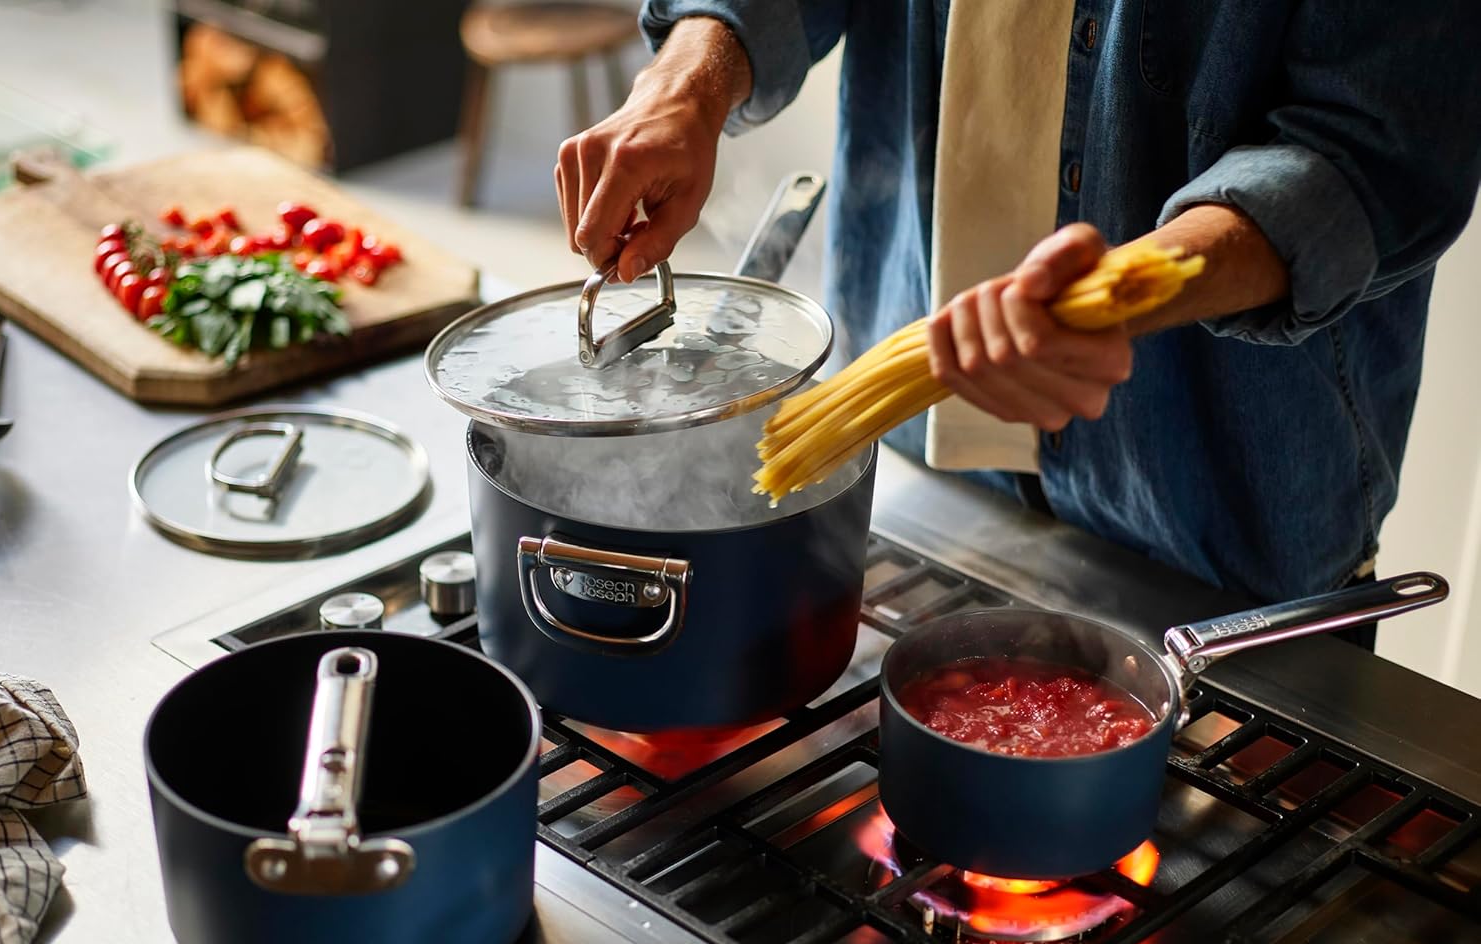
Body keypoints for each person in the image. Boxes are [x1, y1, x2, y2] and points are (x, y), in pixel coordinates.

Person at [554, 2, 1481, 635]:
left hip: (1222, 522)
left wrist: (1131, 284)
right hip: (913, 468)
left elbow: (1371, 149)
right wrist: (687, 80)